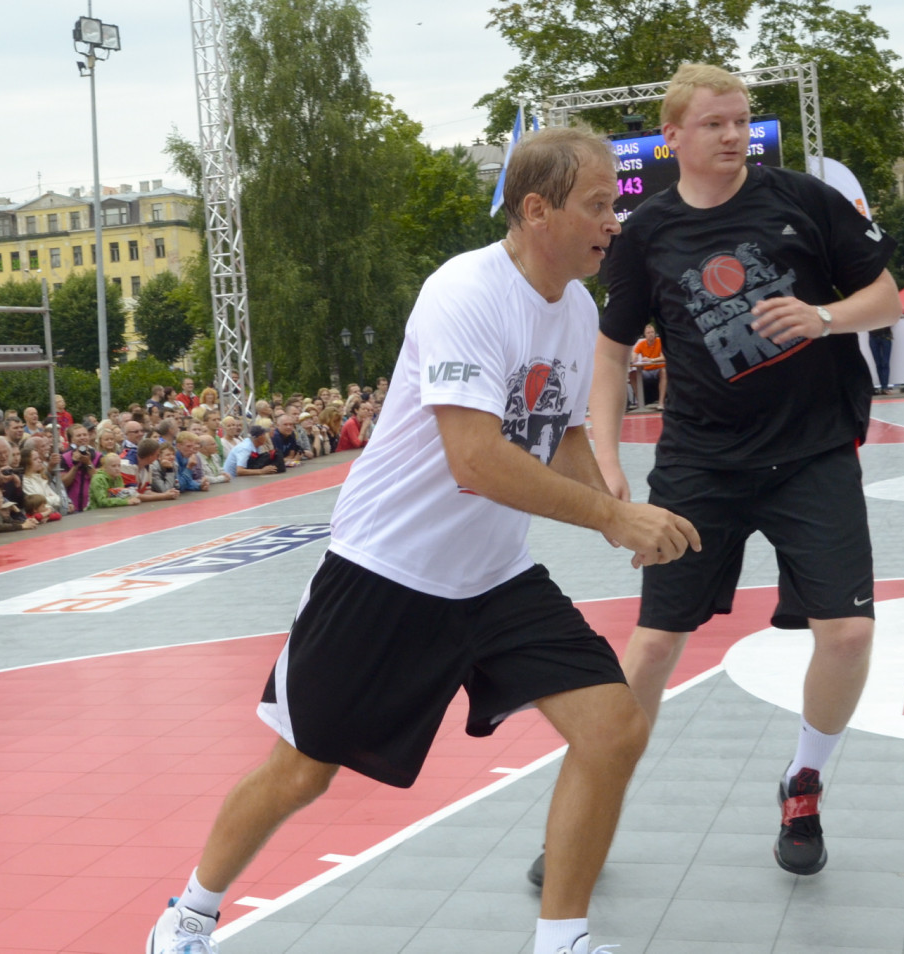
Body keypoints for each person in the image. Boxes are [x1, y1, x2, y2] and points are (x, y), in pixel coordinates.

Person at [146, 126, 700, 954]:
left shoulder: (577, 306)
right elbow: (475, 460)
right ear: (537, 209)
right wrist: (612, 520)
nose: (614, 221)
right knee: (302, 769)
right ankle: (188, 915)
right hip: (386, 574)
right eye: (597, 204)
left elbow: (560, 432)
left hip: (495, 578)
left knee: (613, 728)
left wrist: (617, 501)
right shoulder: (465, 292)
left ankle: (563, 941)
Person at [571, 62, 901, 886]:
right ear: (672, 135)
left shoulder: (802, 200)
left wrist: (823, 317)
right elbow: (609, 358)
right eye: (714, 123)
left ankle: (804, 781)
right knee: (651, 649)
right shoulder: (645, 233)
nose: (732, 136)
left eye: (741, 121)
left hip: (812, 452)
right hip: (700, 466)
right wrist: (607, 458)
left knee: (851, 633)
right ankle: (590, 810)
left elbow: (889, 297)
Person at [61, 425, 100, 514]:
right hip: (73, 507)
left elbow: (98, 480)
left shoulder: (98, 456)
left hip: (93, 505)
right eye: (78, 436)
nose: (82, 438)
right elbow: (64, 483)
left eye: (85, 435)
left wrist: (88, 463)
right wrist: (75, 466)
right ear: (72, 440)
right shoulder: (65, 457)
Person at [629, 323, 667, 409]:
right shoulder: (641, 344)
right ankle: (640, 402)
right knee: (632, 374)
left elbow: (664, 357)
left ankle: (661, 403)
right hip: (646, 371)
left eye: (652, 332)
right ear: (645, 335)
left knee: (664, 372)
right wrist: (633, 359)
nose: (651, 334)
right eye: (648, 333)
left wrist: (651, 360)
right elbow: (634, 354)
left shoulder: (660, 342)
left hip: (658, 370)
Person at [867, 326, 893, 395]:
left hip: (884, 335)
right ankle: (884, 387)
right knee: (879, 363)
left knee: (884, 363)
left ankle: (884, 387)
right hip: (875, 336)